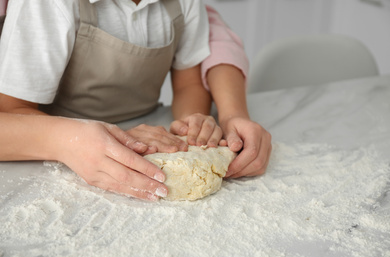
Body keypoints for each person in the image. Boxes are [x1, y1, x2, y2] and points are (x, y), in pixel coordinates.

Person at [0, 0, 271, 199]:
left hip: (149, 130)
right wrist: (80, 139)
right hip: (48, 150)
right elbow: (11, 110)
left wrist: (191, 123)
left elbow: (188, 82)